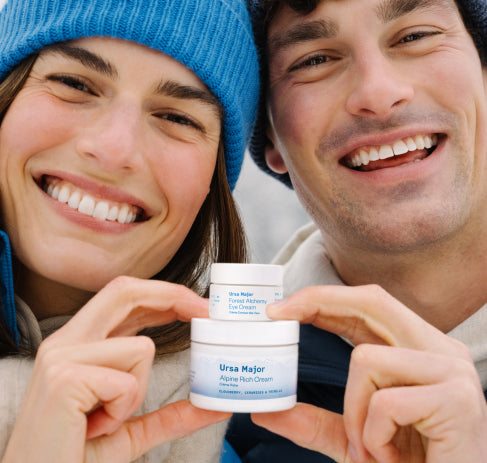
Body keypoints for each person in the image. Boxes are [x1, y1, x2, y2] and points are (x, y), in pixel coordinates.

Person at [226, 0, 487, 462]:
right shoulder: (203, 418)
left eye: (415, 36)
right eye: (315, 61)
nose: (378, 91)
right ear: (270, 139)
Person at [0, 0, 259, 461]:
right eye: (73, 83)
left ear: (212, 188)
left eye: (177, 118)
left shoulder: (236, 432)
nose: (115, 149)